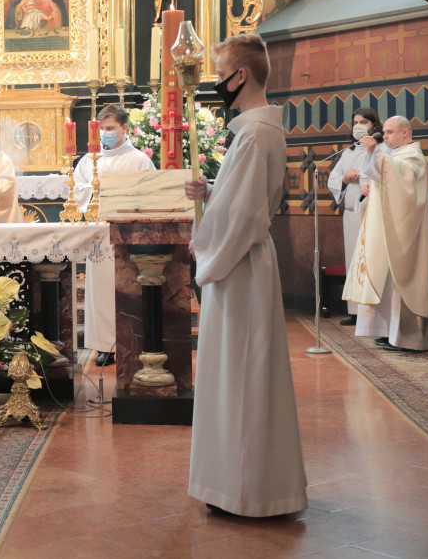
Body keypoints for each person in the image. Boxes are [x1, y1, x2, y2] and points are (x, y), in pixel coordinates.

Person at [184, 33, 307, 517]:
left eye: (219, 75)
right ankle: (238, 483)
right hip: (244, 260)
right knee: (238, 372)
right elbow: (241, 196)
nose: (216, 84)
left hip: (239, 264)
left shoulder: (254, 133)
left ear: (242, 76)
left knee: (241, 375)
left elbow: (242, 215)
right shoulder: (255, 129)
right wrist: (213, 187)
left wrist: (204, 246)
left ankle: (245, 489)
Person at [343, 116, 428, 351]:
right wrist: (368, 184)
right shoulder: (393, 156)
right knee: (385, 280)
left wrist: (377, 155)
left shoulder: (413, 157)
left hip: (404, 233)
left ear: (406, 133)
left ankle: (406, 337)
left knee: (400, 280)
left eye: (389, 132)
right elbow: (381, 176)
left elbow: (403, 183)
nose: (384, 136)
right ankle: (387, 332)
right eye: (383, 132)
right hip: (387, 229)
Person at [74, 103, 153, 366]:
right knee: (101, 292)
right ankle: (104, 346)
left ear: (124, 129)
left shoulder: (139, 159)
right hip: (99, 236)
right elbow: (77, 193)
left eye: (110, 128)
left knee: (128, 290)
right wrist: (93, 190)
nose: (105, 133)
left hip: (128, 234)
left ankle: (132, 342)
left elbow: (149, 193)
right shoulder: (88, 161)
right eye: (102, 129)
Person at [326, 108, 384, 326]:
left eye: (364, 121)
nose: (359, 125)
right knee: (354, 261)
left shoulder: (381, 147)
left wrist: (360, 177)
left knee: (370, 261)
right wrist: (344, 179)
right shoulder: (348, 151)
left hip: (372, 213)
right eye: (355, 122)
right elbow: (334, 178)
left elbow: (382, 173)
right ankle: (355, 312)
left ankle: (373, 313)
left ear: (374, 125)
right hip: (351, 215)